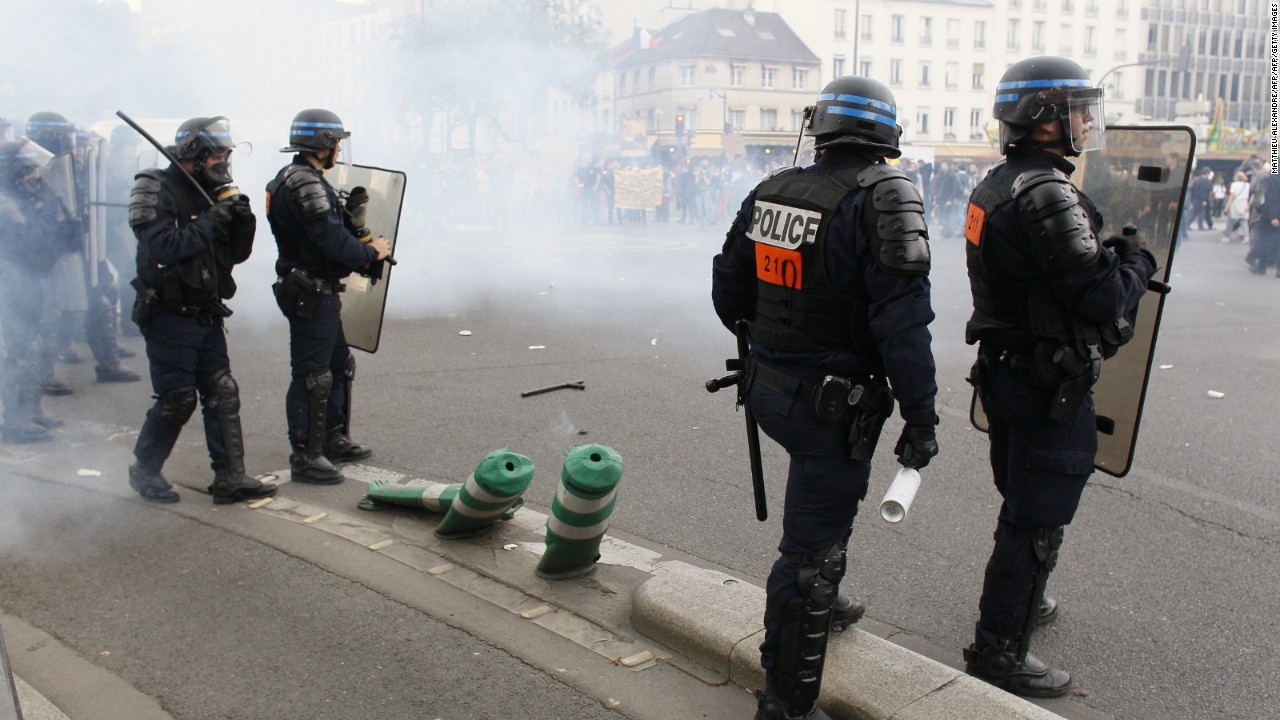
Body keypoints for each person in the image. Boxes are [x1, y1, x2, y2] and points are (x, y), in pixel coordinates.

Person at [712, 76, 939, 720]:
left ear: (824, 126)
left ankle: (823, 604)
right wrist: (922, 417)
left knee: (815, 524)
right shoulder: (887, 197)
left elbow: (728, 290)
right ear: (884, 134)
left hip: (769, 388)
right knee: (809, 556)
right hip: (830, 406)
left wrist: (777, 347)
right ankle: (785, 702)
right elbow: (903, 327)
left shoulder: (772, 188)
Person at [961, 56, 1158, 698]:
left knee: (1023, 503)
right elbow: (1100, 299)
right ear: (1045, 118)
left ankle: (1025, 600)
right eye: (1078, 110)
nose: (1086, 121)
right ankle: (998, 650)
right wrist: (1135, 262)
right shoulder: (1046, 190)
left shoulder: (996, 184)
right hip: (1045, 384)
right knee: (1035, 517)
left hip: (1007, 372)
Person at [126, 116, 278, 505]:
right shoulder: (154, 187)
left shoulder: (212, 191)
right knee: (178, 397)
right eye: (220, 155)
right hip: (168, 313)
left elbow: (234, 255)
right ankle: (144, 469)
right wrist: (213, 219)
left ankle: (231, 477)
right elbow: (165, 247)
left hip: (205, 310)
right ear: (197, 154)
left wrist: (242, 221)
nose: (225, 162)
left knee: (221, 389)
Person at [266, 109, 391, 485]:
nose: (338, 148)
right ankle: (305, 455)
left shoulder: (298, 179)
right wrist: (372, 252)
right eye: (336, 141)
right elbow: (331, 242)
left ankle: (332, 437)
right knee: (312, 375)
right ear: (323, 144)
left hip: (315, 287)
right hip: (310, 289)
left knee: (338, 364)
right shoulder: (305, 183)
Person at [0, 139, 79, 442]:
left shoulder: (26, 195)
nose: (35, 174)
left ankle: (31, 411)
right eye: (29, 169)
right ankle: (16, 421)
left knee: (33, 347)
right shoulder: (6, 202)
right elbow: (29, 241)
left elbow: (59, 239)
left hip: (31, 277)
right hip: (11, 280)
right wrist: (47, 209)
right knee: (19, 351)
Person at [1222, 171, 1251, 243]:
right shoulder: (1247, 185)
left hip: (1235, 202)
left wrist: (1227, 207)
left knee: (1231, 220)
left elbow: (1232, 196)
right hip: (1244, 202)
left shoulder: (1234, 185)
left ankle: (1227, 236)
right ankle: (1246, 237)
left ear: (1237, 177)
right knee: (1243, 221)